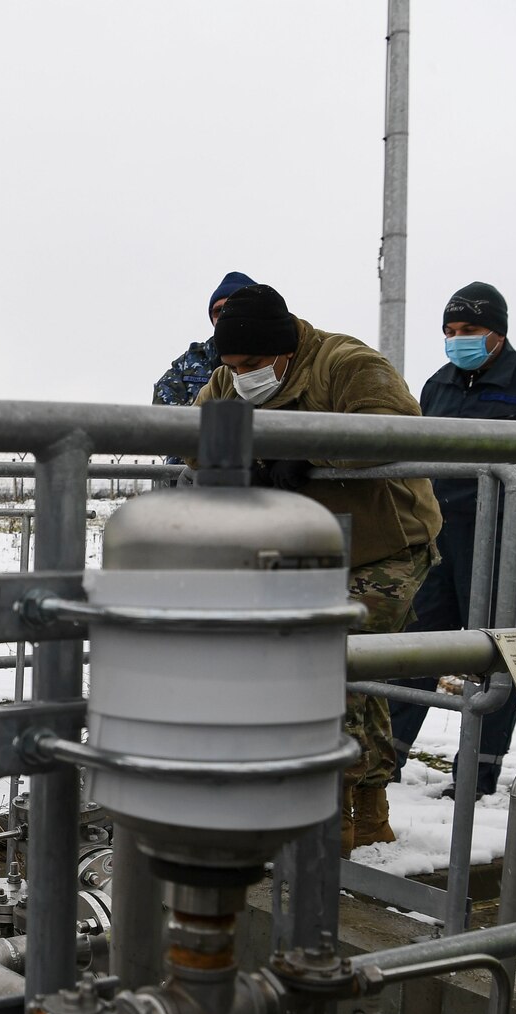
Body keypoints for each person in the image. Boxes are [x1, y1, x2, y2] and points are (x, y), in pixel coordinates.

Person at [196, 284, 441, 854]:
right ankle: (370, 812)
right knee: (350, 674)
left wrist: (309, 451)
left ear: (283, 351)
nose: (241, 377)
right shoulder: (227, 380)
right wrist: (242, 462)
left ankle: (330, 821)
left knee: (329, 663)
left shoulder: (348, 363)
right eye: (231, 366)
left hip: (386, 546)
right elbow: (192, 436)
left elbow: (393, 426)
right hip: (307, 548)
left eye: (253, 364)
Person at [388, 283, 516, 799]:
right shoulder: (437, 386)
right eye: (450, 332)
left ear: (497, 333)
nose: (458, 340)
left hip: (506, 538)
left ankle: (476, 775)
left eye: (470, 331)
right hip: (440, 538)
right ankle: (383, 763)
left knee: (497, 655)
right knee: (417, 648)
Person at [153, 270, 256, 406]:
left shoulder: (275, 356)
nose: (225, 315)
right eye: (218, 311)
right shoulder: (188, 363)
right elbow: (165, 415)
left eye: (232, 308)